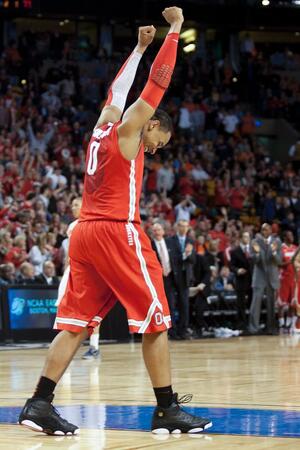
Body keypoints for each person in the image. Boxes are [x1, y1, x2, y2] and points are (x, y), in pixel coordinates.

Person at [19, 8, 212, 436]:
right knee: (156, 318)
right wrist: (174, 31)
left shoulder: (102, 127)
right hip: (115, 230)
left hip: (85, 234)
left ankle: (39, 402)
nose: (158, 149)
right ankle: (167, 410)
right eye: (161, 140)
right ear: (152, 124)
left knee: (74, 326)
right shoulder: (129, 133)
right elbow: (156, 83)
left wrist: (139, 47)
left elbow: (116, 90)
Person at [59, 197, 101, 359]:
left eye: (76, 204)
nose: (73, 207)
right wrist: (65, 272)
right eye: (72, 205)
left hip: (89, 273)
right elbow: (69, 254)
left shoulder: (93, 224)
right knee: (66, 307)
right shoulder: (72, 226)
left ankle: (94, 347)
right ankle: (68, 345)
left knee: (93, 313)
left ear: (85, 206)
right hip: (73, 271)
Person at [249, 223, 282, 335]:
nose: (264, 232)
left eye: (266, 230)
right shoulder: (254, 242)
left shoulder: (277, 242)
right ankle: (254, 328)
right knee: (256, 303)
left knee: (271, 304)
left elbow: (279, 261)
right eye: (262, 230)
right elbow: (253, 260)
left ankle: (271, 328)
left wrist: (273, 252)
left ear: (271, 231)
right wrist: (257, 254)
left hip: (272, 276)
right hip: (259, 276)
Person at [167, 220, 196, 339]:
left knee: (184, 305)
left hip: (185, 277)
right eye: (181, 226)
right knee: (171, 305)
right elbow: (172, 258)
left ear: (188, 228)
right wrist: (185, 254)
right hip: (172, 276)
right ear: (177, 227)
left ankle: (183, 330)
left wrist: (189, 254)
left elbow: (194, 260)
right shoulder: (170, 240)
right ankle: (172, 331)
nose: (184, 228)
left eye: (186, 226)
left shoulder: (191, 241)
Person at [151, 222, 178, 339]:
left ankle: (173, 331)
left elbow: (176, 259)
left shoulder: (170, 242)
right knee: (159, 306)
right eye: (155, 230)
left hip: (171, 278)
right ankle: (160, 330)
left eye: (158, 229)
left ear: (163, 231)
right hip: (157, 279)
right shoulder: (149, 245)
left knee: (171, 304)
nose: (157, 232)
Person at [230, 231, 253, 331]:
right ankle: (241, 324)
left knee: (253, 303)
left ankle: (252, 323)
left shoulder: (253, 250)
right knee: (241, 304)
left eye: (247, 237)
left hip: (252, 280)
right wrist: (237, 270)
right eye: (244, 236)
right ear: (240, 238)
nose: (246, 238)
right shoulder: (235, 251)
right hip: (241, 280)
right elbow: (231, 266)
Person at [277, 230, 298, 331]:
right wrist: (289, 262)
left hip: (294, 278)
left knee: (292, 304)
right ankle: (281, 325)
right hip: (284, 279)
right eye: (290, 235)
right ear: (285, 237)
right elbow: (278, 264)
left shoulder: (295, 248)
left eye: (292, 235)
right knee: (282, 304)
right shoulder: (280, 249)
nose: (292, 237)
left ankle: (290, 325)